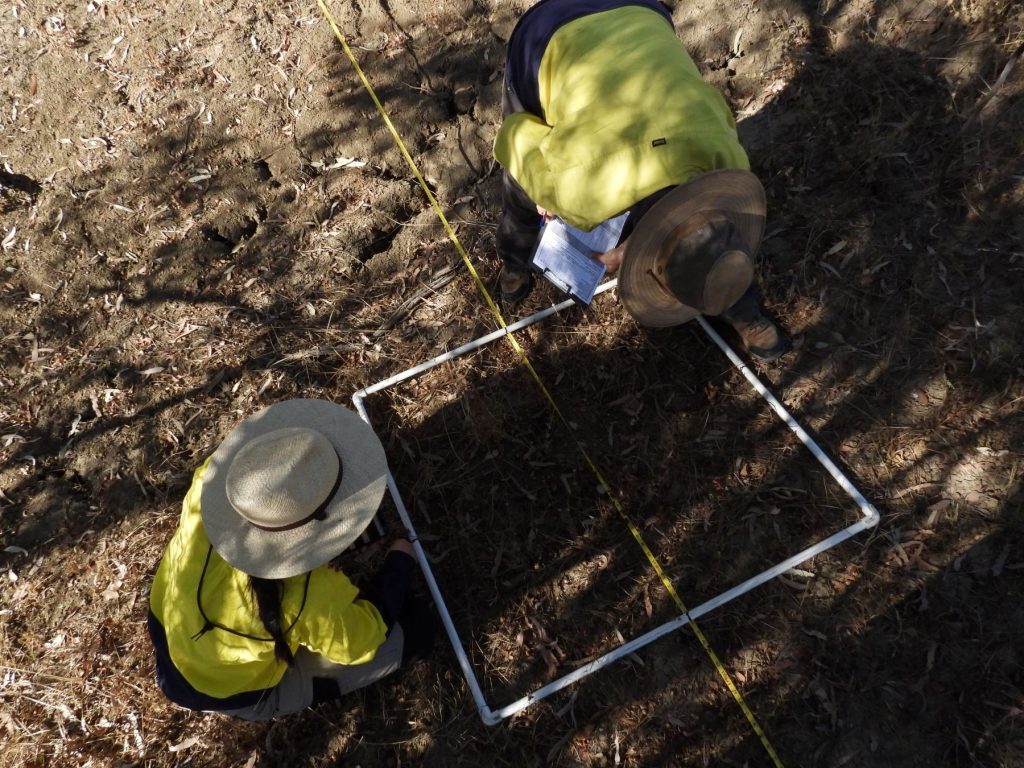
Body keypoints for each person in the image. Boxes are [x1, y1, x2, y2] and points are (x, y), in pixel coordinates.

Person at [494, 0, 789, 360]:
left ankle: (742, 309)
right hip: (544, 35)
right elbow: (513, 133)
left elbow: (712, 242)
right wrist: (542, 188)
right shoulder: (577, 194)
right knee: (520, 189)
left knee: (712, 258)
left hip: (641, 12)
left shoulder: (728, 160)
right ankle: (515, 261)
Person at [147, 399, 434, 720]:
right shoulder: (304, 596)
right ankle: (281, 696)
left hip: (168, 626)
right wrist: (400, 563)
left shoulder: (215, 481)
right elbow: (358, 641)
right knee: (415, 629)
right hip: (214, 687)